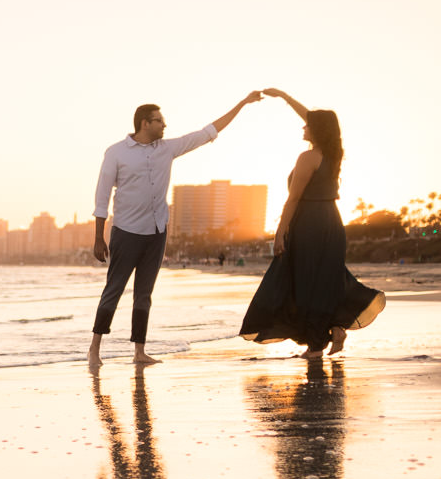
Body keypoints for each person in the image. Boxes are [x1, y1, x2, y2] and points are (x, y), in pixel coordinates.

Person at [90, 92, 263, 367]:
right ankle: (94, 350)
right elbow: (101, 198)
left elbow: (208, 132)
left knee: (144, 294)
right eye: (160, 121)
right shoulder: (116, 153)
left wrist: (242, 104)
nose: (165, 125)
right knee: (114, 289)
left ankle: (139, 351)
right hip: (125, 231)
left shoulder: (167, 149)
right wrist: (98, 238)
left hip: (157, 232)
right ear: (145, 123)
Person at [238, 90, 386, 358]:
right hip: (331, 221)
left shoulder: (308, 158)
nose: (303, 125)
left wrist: (280, 232)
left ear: (317, 130)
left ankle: (316, 345)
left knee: (305, 281)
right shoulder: (333, 154)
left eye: (308, 124)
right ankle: (334, 329)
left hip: (309, 224)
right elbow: (316, 119)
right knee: (325, 279)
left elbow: (293, 199)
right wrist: (284, 96)